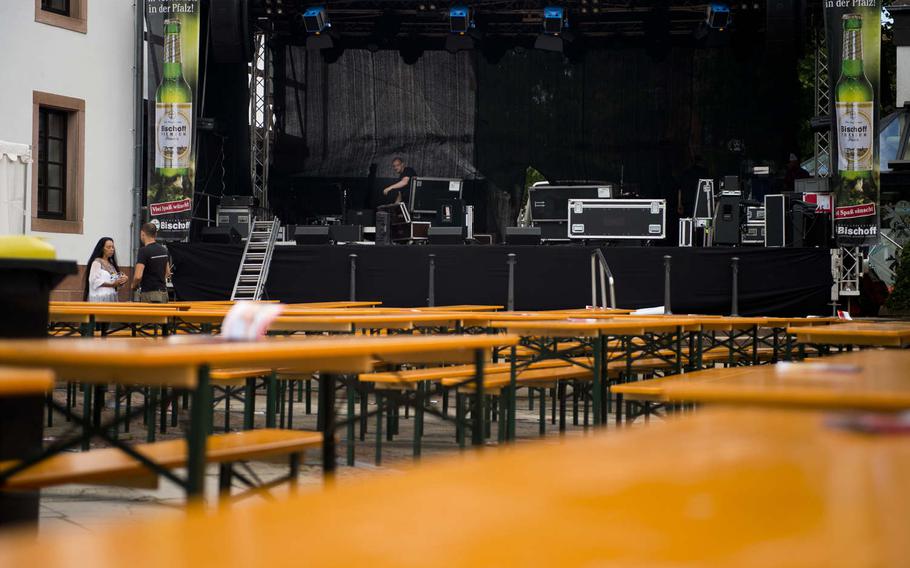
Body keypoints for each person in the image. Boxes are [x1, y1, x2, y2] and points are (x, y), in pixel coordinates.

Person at [131, 222, 170, 303]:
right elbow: (168, 272)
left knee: (149, 316)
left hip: (150, 294)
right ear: (155, 234)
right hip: (164, 294)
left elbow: (138, 276)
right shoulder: (164, 250)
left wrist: (133, 286)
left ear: (142, 234)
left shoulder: (143, 251)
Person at [83, 237, 128, 302]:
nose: (112, 249)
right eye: (108, 247)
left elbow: (113, 279)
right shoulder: (97, 262)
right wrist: (111, 285)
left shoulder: (111, 264)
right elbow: (93, 280)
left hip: (110, 297)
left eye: (112, 247)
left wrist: (123, 279)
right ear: (102, 249)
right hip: (100, 299)